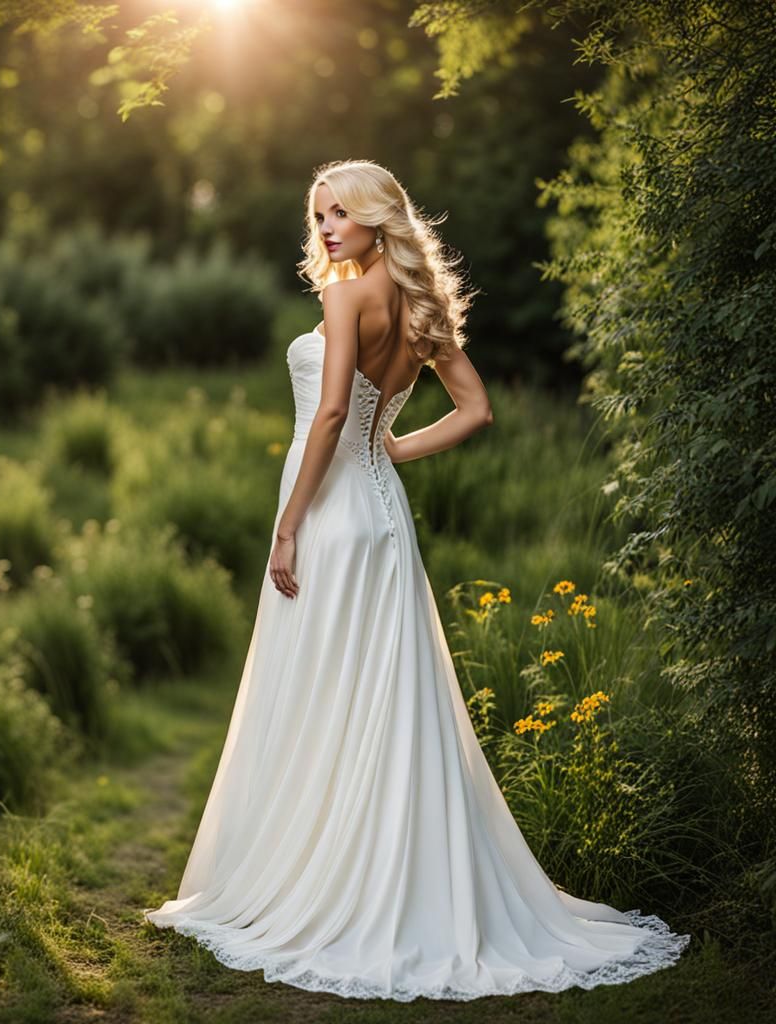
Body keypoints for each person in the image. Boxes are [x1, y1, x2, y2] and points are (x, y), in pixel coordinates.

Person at [141, 159, 691, 1000]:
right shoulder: (417, 307)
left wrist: (287, 524)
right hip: (383, 516)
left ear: (375, 219)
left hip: (328, 513)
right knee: (382, 696)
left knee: (319, 692)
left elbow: (328, 414)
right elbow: (474, 410)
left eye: (339, 214)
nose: (325, 228)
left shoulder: (346, 293)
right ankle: (378, 873)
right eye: (317, 213)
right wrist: (394, 447)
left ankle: (323, 877)